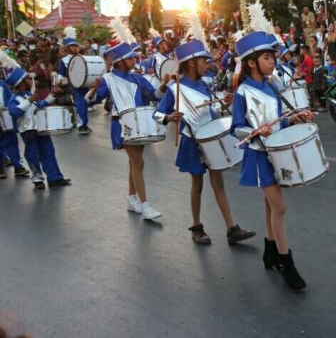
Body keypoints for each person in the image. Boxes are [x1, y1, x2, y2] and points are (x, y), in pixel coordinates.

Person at [230, 25, 315, 290]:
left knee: (270, 205)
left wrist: (293, 118)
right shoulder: (243, 91)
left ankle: (270, 251)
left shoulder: (272, 88)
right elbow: (236, 128)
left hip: (275, 151)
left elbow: (276, 122)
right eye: (267, 58)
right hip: (258, 154)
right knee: (279, 207)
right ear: (252, 62)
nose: (272, 61)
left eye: (272, 57)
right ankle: (286, 261)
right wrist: (254, 131)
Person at [153, 36, 256, 245]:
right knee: (197, 185)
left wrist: (224, 104)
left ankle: (231, 228)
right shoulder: (176, 88)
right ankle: (197, 226)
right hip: (192, 141)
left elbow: (210, 110)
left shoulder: (205, 84)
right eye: (204, 61)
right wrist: (168, 117)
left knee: (218, 183)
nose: (208, 65)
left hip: (210, 137)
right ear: (191, 63)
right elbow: (157, 112)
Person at [85, 21, 165, 221]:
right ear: (120, 61)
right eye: (130, 58)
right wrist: (94, 88)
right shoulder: (108, 79)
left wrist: (165, 83)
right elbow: (93, 99)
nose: (134, 60)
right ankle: (145, 206)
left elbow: (155, 95)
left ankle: (132, 199)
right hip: (123, 123)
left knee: (134, 163)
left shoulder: (137, 77)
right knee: (138, 162)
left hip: (141, 122)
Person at [2, 52, 64, 189]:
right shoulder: (15, 99)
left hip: (40, 127)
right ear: (21, 84)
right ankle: (37, 178)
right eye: (28, 80)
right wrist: (29, 101)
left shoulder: (30, 94)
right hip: (28, 131)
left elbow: (40, 105)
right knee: (32, 154)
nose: (31, 81)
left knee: (48, 151)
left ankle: (55, 177)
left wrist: (53, 94)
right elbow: (14, 113)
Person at [57, 26, 92, 134]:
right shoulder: (64, 60)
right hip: (74, 86)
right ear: (67, 48)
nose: (75, 48)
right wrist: (59, 82)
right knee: (81, 103)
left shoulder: (83, 57)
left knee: (85, 104)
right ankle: (82, 125)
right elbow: (61, 74)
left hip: (85, 85)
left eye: (76, 45)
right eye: (72, 46)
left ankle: (82, 123)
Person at [0, 60, 30, 179]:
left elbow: (9, 100)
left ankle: (18, 167)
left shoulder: (2, 84)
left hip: (4, 115)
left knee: (11, 142)